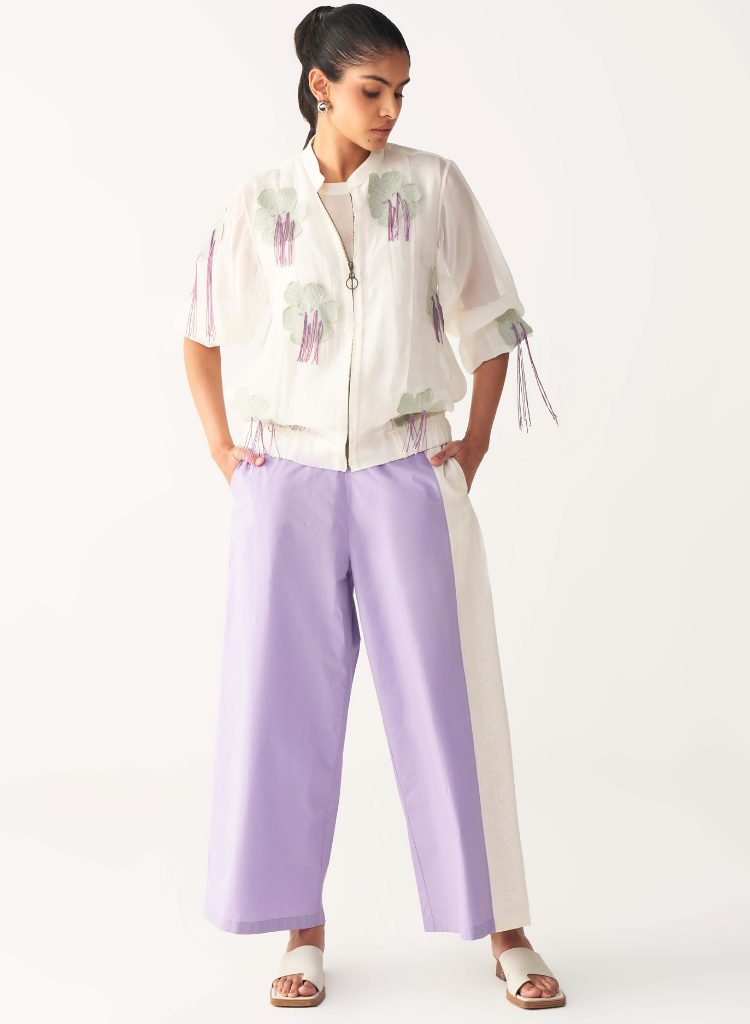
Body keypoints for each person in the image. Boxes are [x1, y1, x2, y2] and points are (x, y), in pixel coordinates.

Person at [182, 3, 563, 1011]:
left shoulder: (433, 186)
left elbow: (493, 321)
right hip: (287, 477)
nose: (390, 108)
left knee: (452, 700)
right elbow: (201, 328)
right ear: (320, 86)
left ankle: (506, 929)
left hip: (406, 469)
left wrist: (475, 443)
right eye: (370, 89)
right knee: (280, 709)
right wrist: (224, 450)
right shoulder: (261, 198)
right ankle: (300, 930)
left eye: (400, 91)